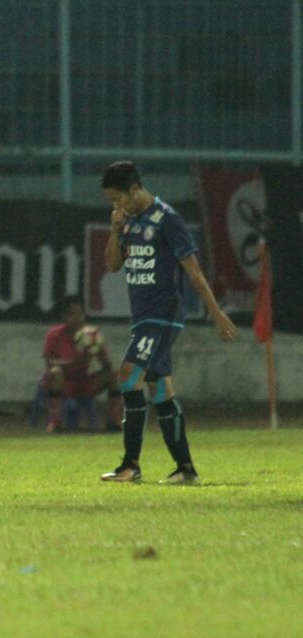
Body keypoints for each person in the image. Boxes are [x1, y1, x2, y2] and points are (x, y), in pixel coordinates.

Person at [100, 161, 238, 484]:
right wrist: (114, 230)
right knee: (159, 388)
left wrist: (215, 313)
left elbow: (193, 270)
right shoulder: (130, 221)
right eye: (111, 200)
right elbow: (112, 266)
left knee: (127, 376)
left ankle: (130, 465)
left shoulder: (167, 219)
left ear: (135, 189)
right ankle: (186, 470)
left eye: (117, 198)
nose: (115, 205)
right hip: (144, 317)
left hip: (163, 314)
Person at [39, 296, 119, 433]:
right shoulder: (54, 334)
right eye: (72, 314)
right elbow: (49, 363)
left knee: (114, 375)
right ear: (64, 316)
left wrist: (99, 352)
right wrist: (71, 361)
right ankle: (55, 423)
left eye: (80, 314)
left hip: (83, 381)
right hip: (62, 382)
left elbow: (107, 365)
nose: (77, 318)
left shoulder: (91, 334)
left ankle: (114, 421)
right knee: (56, 372)